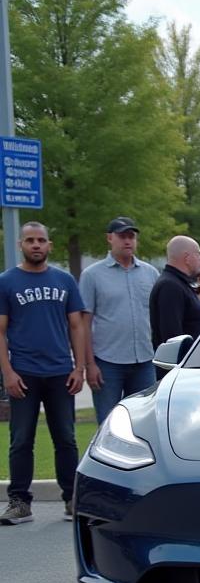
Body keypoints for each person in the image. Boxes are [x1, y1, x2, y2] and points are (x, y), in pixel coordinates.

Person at [0, 222, 87, 524]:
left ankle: (71, 499)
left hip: (61, 372)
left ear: (49, 245)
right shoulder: (6, 282)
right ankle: (19, 502)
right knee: (21, 439)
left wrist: (79, 367)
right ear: (21, 245)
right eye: (30, 240)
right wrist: (7, 372)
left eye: (40, 240)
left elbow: (76, 325)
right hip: (23, 372)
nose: (36, 245)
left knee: (66, 438)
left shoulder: (64, 281)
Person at [79, 216, 159, 425]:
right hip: (107, 363)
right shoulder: (92, 275)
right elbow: (84, 323)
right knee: (108, 424)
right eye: (122, 236)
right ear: (109, 238)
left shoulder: (150, 273)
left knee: (144, 423)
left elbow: (155, 316)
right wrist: (89, 364)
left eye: (131, 236)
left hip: (144, 361)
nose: (128, 241)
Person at [150, 235, 200, 351]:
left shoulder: (179, 284)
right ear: (187, 258)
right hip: (182, 361)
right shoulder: (170, 286)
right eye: (198, 254)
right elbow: (172, 338)